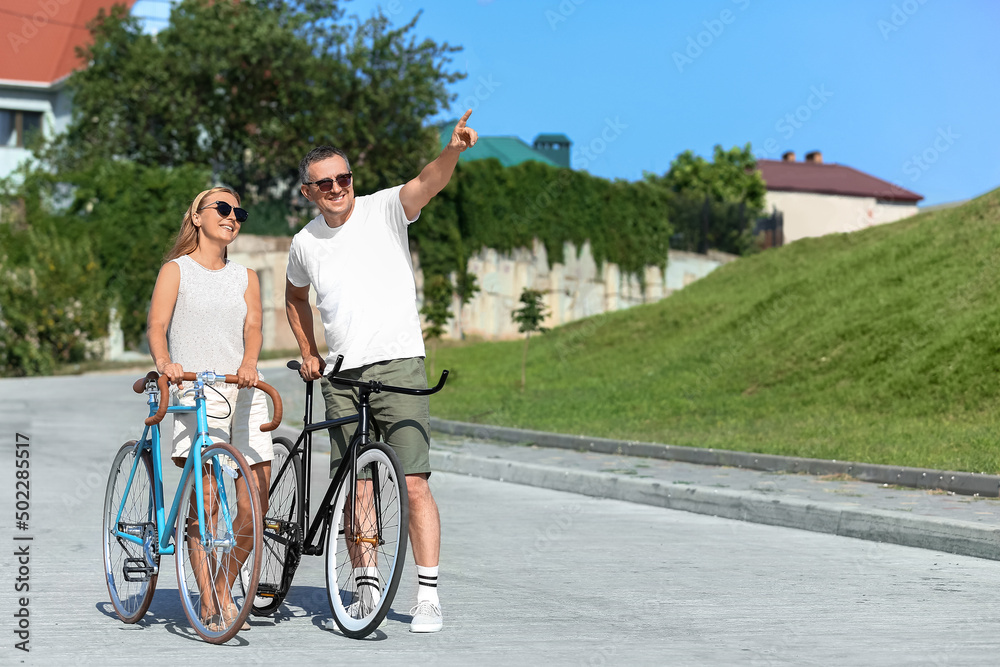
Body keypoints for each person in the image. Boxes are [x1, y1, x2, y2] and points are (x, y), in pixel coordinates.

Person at [285, 110, 479, 633]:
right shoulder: (304, 243)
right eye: (324, 183)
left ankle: (429, 594)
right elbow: (294, 296)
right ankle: (365, 580)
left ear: (354, 180)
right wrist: (308, 349)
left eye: (343, 178)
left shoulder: (385, 209)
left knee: (414, 481)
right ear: (309, 192)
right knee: (357, 482)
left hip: (399, 365)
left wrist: (453, 150)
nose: (336, 188)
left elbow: (427, 182)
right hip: (343, 376)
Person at [147, 186, 272, 632]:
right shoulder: (175, 270)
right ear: (197, 217)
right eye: (222, 208)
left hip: (241, 386)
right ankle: (209, 596)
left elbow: (254, 326)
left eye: (239, 211)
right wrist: (165, 364)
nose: (232, 216)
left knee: (254, 501)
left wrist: (249, 364)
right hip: (195, 389)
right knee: (208, 502)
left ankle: (224, 582)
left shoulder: (247, 276)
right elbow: (158, 325)